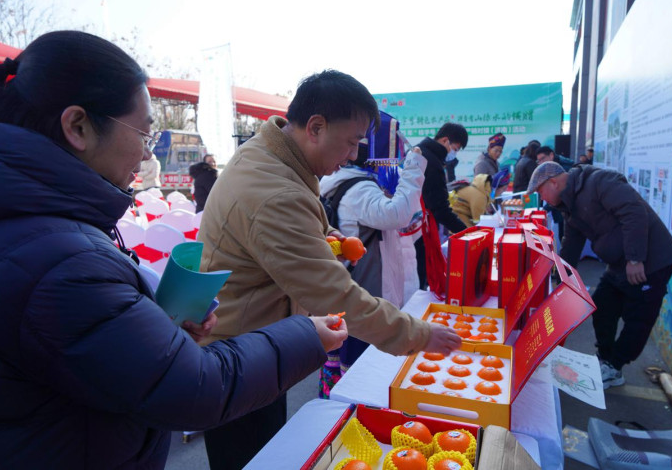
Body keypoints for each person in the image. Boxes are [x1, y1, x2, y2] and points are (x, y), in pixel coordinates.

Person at [0, 31, 348, 469]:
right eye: (143, 133)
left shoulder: (38, 225)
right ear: (78, 126)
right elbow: (194, 389)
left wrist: (154, 329)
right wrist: (306, 335)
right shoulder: (59, 261)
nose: (146, 155)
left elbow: (90, 353)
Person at [198, 70, 461, 469]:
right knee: (249, 455)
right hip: (238, 356)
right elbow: (335, 296)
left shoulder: (275, 158)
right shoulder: (274, 190)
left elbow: (297, 226)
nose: (353, 155)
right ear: (316, 127)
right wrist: (421, 334)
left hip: (255, 340)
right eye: (352, 141)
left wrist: (327, 236)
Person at [527, 162, 672, 389]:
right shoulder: (569, 205)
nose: (542, 198)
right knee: (602, 305)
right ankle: (606, 360)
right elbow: (572, 243)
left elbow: (634, 213)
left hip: (650, 260)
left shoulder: (599, 181)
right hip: (619, 264)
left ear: (554, 182)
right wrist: (561, 280)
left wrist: (635, 258)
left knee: (638, 318)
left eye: (541, 192)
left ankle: (615, 365)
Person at [318, 141, 426, 396]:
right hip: (363, 292)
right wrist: (413, 169)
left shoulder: (353, 183)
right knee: (361, 372)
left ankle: (341, 407)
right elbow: (398, 215)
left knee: (347, 363)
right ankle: (353, 411)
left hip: (353, 287)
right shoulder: (360, 189)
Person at [413, 122, 469, 290]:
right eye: (455, 149)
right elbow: (440, 208)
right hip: (421, 228)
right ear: (445, 140)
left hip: (413, 225)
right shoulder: (431, 162)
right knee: (421, 274)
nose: (454, 154)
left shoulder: (419, 153)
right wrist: (465, 231)